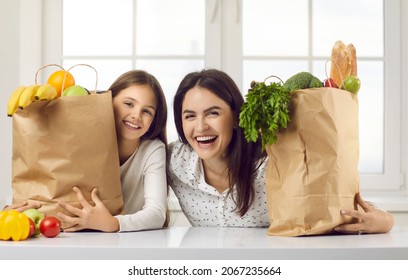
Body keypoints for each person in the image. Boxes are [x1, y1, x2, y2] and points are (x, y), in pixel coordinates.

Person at [167, 68, 394, 234]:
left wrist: (385, 222)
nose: (200, 127)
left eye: (213, 113)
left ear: (236, 117)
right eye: (189, 116)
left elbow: (330, 201)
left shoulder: (273, 160)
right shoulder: (175, 162)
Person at [1, 70, 168, 232]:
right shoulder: (81, 139)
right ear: (108, 100)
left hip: (121, 244)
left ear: (154, 119)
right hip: (64, 237)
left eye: (147, 111)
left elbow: (157, 213)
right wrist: (8, 213)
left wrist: (112, 223)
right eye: (129, 104)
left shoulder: (152, 151)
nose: (136, 115)